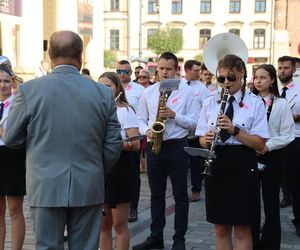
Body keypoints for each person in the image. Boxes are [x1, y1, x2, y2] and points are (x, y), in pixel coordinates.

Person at [2, 30, 122, 250]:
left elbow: (10, 138)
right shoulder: (102, 93)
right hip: (88, 184)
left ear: (50, 55)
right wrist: (95, 168)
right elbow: (114, 143)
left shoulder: (29, 91)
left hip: (44, 184)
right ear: (80, 55)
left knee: (47, 247)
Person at [196, 54, 268, 250]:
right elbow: (201, 138)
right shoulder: (210, 101)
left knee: (243, 229)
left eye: (231, 78)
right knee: (221, 228)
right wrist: (207, 139)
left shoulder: (255, 103)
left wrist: (235, 130)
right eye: (221, 78)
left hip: (243, 165)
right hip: (217, 164)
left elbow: (260, 144)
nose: (225, 83)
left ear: (242, 74)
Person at [133, 52, 198, 250]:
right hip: (155, 146)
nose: (163, 72)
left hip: (178, 146)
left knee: (180, 195)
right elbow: (140, 119)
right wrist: (147, 131)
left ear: (176, 69)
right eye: (160, 68)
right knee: (156, 195)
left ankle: (180, 240)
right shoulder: (149, 92)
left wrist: (174, 115)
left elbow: (195, 124)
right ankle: (156, 236)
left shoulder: (186, 92)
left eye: (168, 68)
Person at [251, 64, 295, 250]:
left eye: (263, 77)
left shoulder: (281, 103)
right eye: (256, 77)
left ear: (271, 81)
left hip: (272, 156)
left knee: (271, 203)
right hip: (250, 156)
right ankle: (251, 241)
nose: (258, 81)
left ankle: (270, 244)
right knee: (250, 203)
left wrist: (267, 146)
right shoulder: (248, 101)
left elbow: (287, 134)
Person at [98, 72, 140, 250]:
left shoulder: (125, 110)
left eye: (108, 86)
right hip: (100, 169)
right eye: (100, 86)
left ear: (117, 88)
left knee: (119, 224)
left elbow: (135, 144)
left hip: (121, 168)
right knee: (103, 225)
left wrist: (112, 144)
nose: (104, 89)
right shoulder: (95, 108)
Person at [0, 57, 26, 250]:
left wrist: (5, 133)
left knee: (15, 210)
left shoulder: (18, 103)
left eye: (7, 81)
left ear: (13, 82)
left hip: (13, 156)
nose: (3, 85)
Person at [116, 60, 144, 223]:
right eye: (119, 71)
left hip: (132, 136)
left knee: (133, 174)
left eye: (125, 71)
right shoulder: (111, 87)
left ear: (131, 72)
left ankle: (133, 207)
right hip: (115, 139)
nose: (122, 74)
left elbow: (141, 114)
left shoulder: (139, 90)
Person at [277, 56, 300, 237]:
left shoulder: (299, 89)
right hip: (273, 140)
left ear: (293, 69)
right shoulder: (273, 89)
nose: (283, 71)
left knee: (296, 182)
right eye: (280, 68)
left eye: (286, 68)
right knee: (272, 184)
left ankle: (298, 221)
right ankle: (270, 223)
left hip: (294, 139)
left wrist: (292, 117)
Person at [181, 59, 209, 202]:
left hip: (196, 130)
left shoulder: (202, 88)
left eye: (199, 70)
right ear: (187, 70)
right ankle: (180, 190)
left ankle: (196, 190)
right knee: (182, 164)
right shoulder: (179, 85)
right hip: (181, 130)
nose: (199, 73)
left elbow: (207, 108)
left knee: (197, 162)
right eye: (196, 70)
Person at [137, 69, 153, 173]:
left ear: (149, 78)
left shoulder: (152, 90)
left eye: (144, 77)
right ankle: (139, 167)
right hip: (139, 122)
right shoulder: (135, 88)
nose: (142, 79)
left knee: (146, 149)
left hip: (149, 124)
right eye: (140, 77)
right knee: (139, 148)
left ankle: (147, 168)